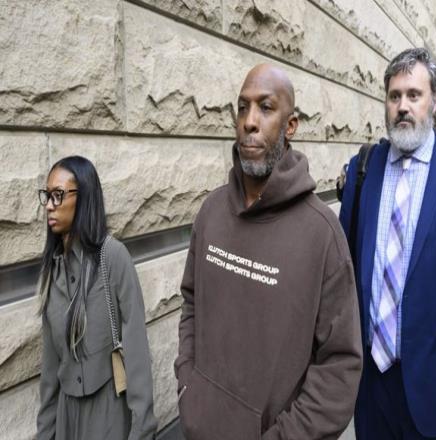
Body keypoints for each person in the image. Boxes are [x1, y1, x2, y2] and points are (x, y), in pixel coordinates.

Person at [174, 64, 363, 439]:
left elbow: (340, 365)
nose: (249, 121)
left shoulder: (322, 234)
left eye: (265, 107)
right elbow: (191, 302)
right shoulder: (211, 212)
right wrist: (188, 386)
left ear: (290, 126)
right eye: (242, 107)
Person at [339, 47, 436, 440]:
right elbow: (343, 275)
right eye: (394, 96)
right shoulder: (363, 170)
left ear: (435, 101)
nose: (403, 107)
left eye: (414, 94)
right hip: (373, 392)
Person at [36, 156, 157, 439]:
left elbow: (137, 351)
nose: (49, 205)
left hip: (109, 415)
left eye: (58, 195)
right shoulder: (53, 270)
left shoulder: (113, 257)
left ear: (84, 197)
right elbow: (50, 370)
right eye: (47, 196)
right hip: (67, 420)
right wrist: (45, 433)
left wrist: (142, 430)